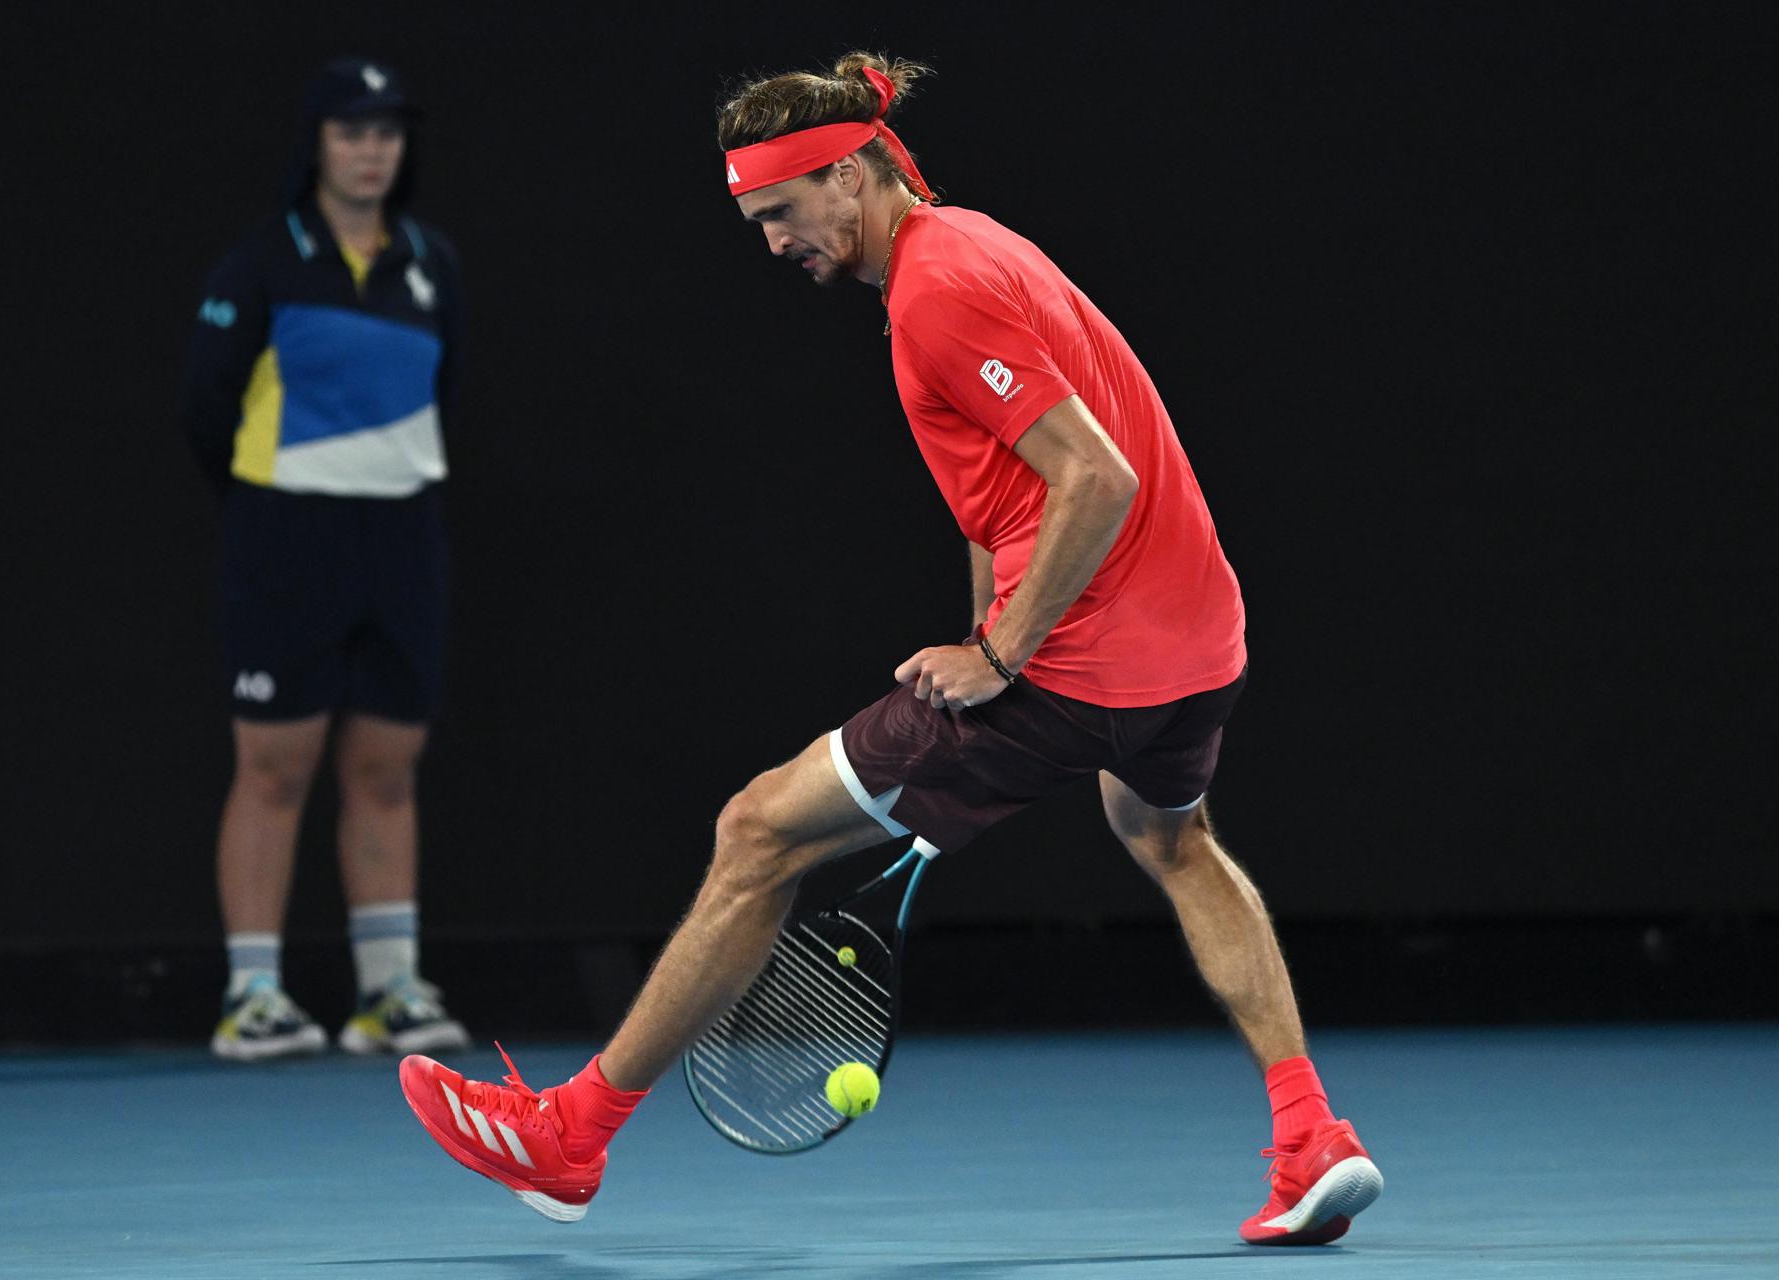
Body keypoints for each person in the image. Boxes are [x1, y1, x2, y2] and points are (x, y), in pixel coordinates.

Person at [398, 53, 1382, 1244]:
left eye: (780, 213)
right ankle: (1310, 1135)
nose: (771, 245)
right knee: (1172, 838)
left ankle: (573, 1134)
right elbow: (1009, 490)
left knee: (757, 831)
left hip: (1079, 654)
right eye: (753, 222)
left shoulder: (936, 287)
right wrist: (988, 623)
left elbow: (1094, 476)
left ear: (851, 173)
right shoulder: (970, 245)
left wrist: (1002, 655)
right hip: (1196, 641)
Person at [184, 58, 471, 1062]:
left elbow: (453, 394)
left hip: (401, 539)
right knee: (274, 761)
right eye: (351, 132)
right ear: (317, 145)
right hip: (286, 535)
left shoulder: (432, 260)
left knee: (386, 766)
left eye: (386, 132)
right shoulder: (263, 261)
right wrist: (277, 500)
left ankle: (387, 991)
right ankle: (251, 991)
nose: (370, 149)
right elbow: (207, 407)